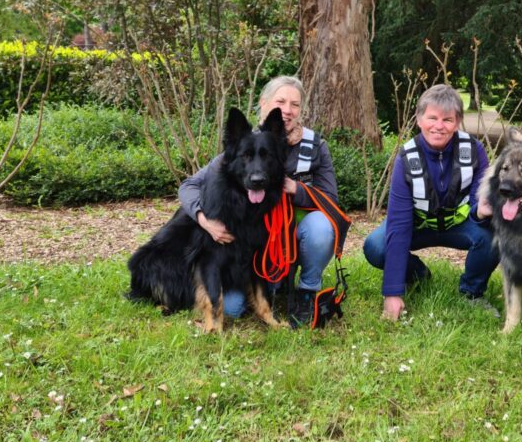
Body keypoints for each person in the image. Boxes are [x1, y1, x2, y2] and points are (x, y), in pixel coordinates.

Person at [178, 76, 348, 327]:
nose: (287, 110)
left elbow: (331, 201)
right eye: (280, 102)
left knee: (321, 227)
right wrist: (205, 221)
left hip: (298, 240)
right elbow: (189, 185)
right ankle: (268, 289)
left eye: (295, 104)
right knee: (234, 309)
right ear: (264, 103)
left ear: (302, 110)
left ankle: (307, 291)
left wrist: (295, 188)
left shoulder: (315, 146)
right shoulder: (245, 144)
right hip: (261, 246)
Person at [363, 84, 500, 320]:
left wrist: (483, 212)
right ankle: (417, 275)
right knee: (376, 247)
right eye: (432, 118)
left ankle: (472, 293)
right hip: (419, 225)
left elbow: (480, 202)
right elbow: (398, 223)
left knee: (495, 237)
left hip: (460, 225)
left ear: (457, 122)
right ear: (419, 119)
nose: (439, 126)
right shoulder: (406, 157)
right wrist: (392, 292)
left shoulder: (474, 150)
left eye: (447, 119)